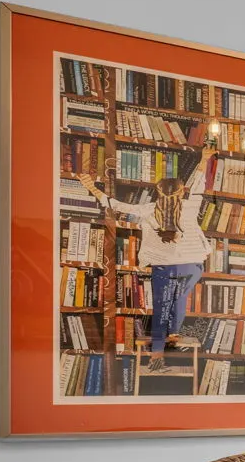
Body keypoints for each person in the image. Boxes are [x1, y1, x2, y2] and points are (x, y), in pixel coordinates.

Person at [76, 124, 213, 356]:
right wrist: (204, 159)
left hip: (163, 266)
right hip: (192, 264)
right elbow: (198, 184)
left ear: (158, 193)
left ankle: (158, 350)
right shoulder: (190, 206)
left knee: (162, 305)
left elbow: (116, 205)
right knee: (179, 296)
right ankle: (174, 334)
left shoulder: (149, 210)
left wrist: (93, 188)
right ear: (181, 193)